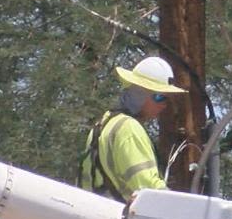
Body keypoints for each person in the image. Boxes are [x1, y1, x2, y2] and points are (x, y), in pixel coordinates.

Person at [78, 56, 187, 203]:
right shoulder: (129, 128)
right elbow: (150, 191)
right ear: (140, 94)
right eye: (160, 97)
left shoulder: (103, 124)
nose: (164, 105)